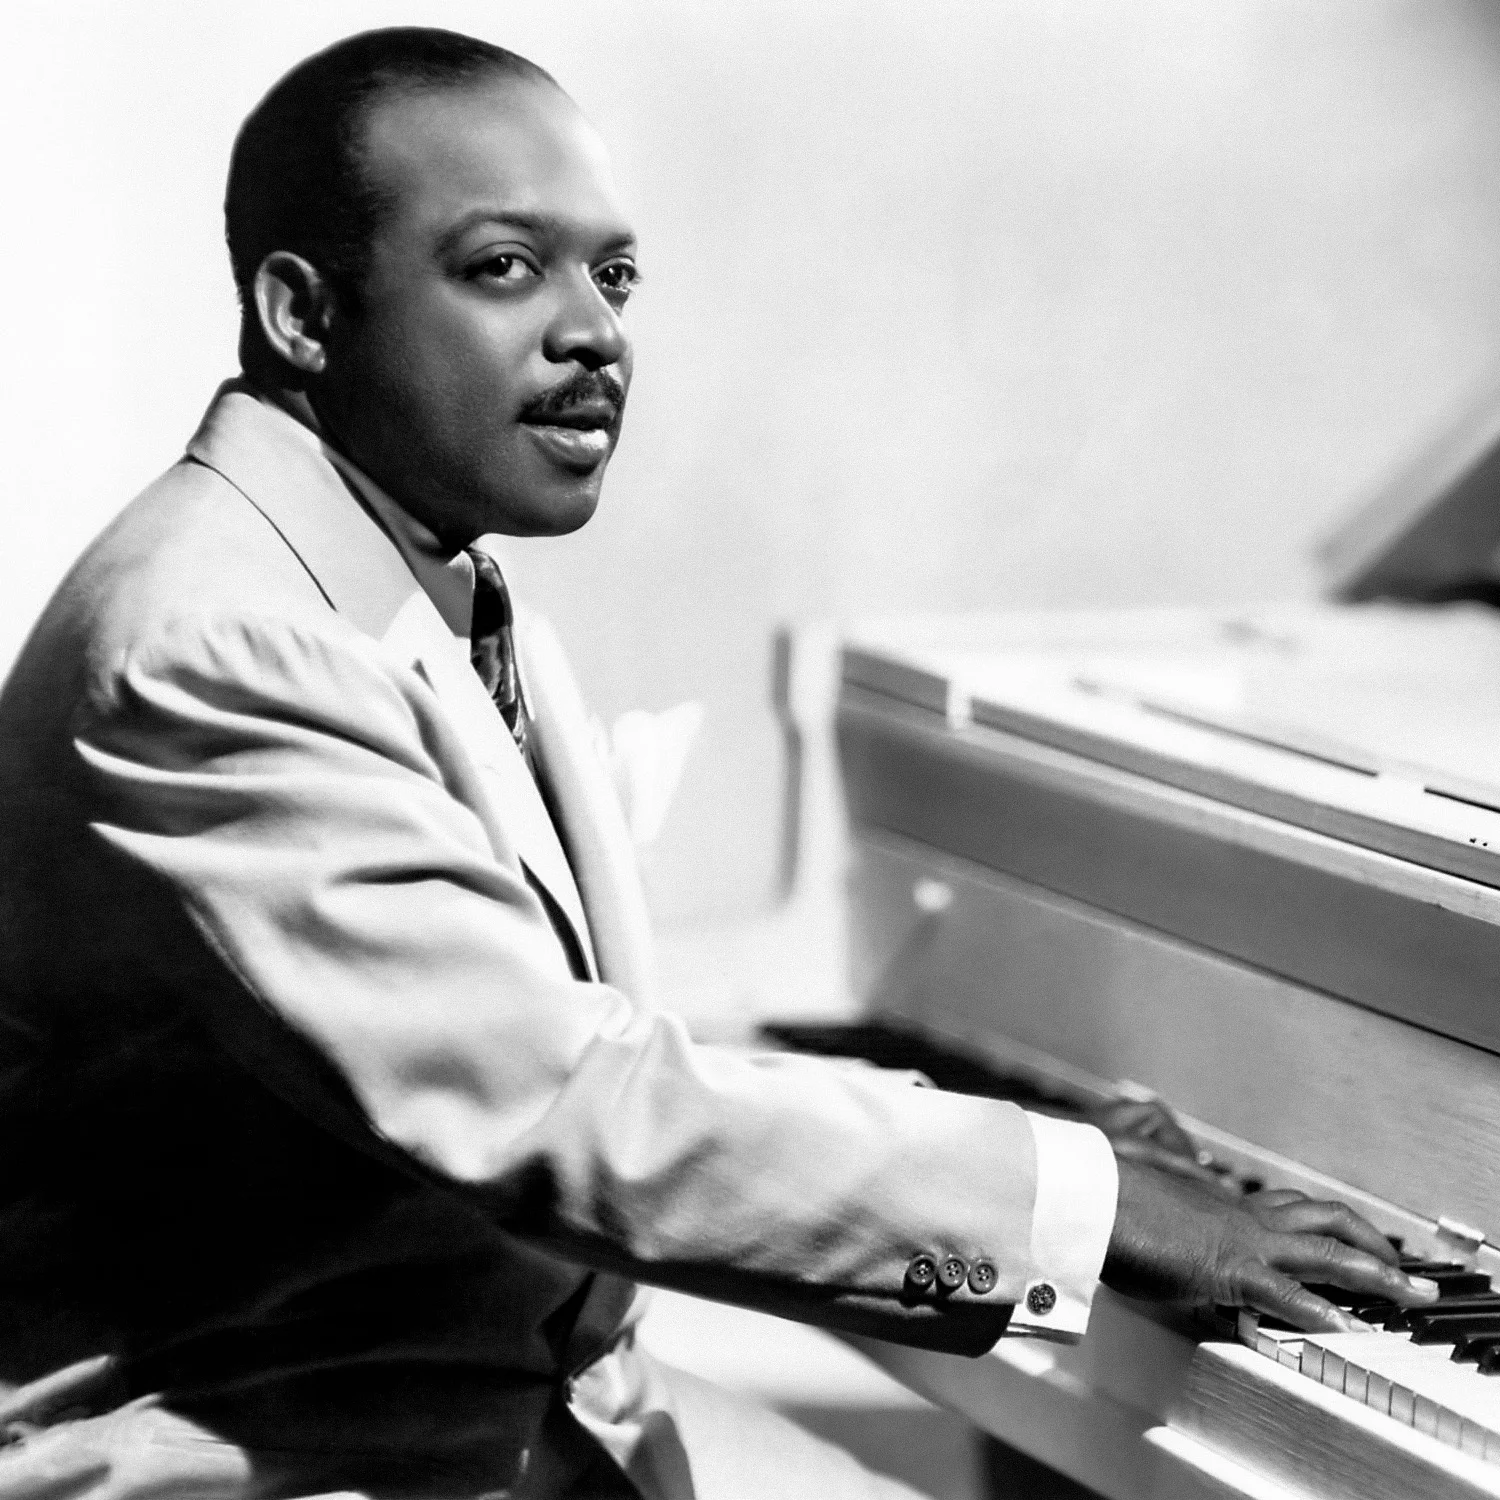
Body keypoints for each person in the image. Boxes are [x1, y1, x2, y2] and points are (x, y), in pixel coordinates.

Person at [0, 26, 1436, 1500]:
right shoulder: (216, 644)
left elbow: (534, 1033)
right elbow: (567, 1107)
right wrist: (1090, 1200)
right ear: (303, 312)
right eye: (505, 267)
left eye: (612, 277)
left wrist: (1036, 1142)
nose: (592, 334)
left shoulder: (406, 574)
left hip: (488, 1411)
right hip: (267, 1456)